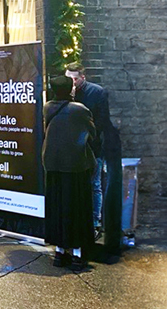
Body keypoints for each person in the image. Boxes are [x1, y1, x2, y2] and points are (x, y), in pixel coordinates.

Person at [43, 75, 98, 271]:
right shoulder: (79, 109)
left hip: (53, 165)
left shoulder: (47, 108)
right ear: (70, 90)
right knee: (76, 208)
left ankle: (59, 252)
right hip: (75, 166)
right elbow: (92, 133)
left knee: (57, 207)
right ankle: (77, 254)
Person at [65, 62, 111, 236]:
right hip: (72, 147)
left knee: (94, 184)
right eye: (68, 79)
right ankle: (79, 220)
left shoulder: (97, 92)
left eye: (75, 79)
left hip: (92, 145)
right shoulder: (66, 93)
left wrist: (88, 137)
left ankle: (94, 222)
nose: (72, 82)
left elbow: (102, 121)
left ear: (82, 78)